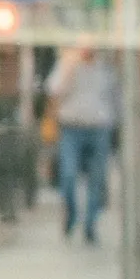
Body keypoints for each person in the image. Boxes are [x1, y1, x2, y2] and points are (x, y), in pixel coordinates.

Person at [46, 45, 121, 243]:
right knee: (68, 174)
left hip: (99, 127)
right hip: (71, 126)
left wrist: (115, 123)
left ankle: (90, 224)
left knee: (97, 178)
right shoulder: (68, 64)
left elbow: (116, 99)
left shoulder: (105, 68)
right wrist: (68, 68)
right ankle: (71, 213)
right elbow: (54, 90)